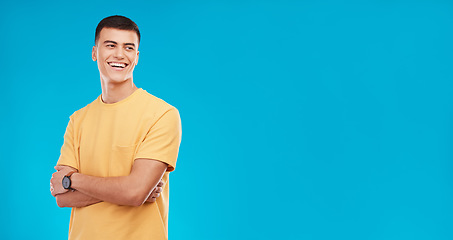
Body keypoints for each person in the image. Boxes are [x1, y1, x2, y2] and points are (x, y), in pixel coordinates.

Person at [50, 15, 182, 240]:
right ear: (94, 53)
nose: (120, 55)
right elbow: (63, 198)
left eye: (128, 47)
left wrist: (73, 180)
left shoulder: (162, 114)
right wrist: (129, 189)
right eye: (110, 45)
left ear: (137, 57)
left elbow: (133, 193)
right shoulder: (78, 120)